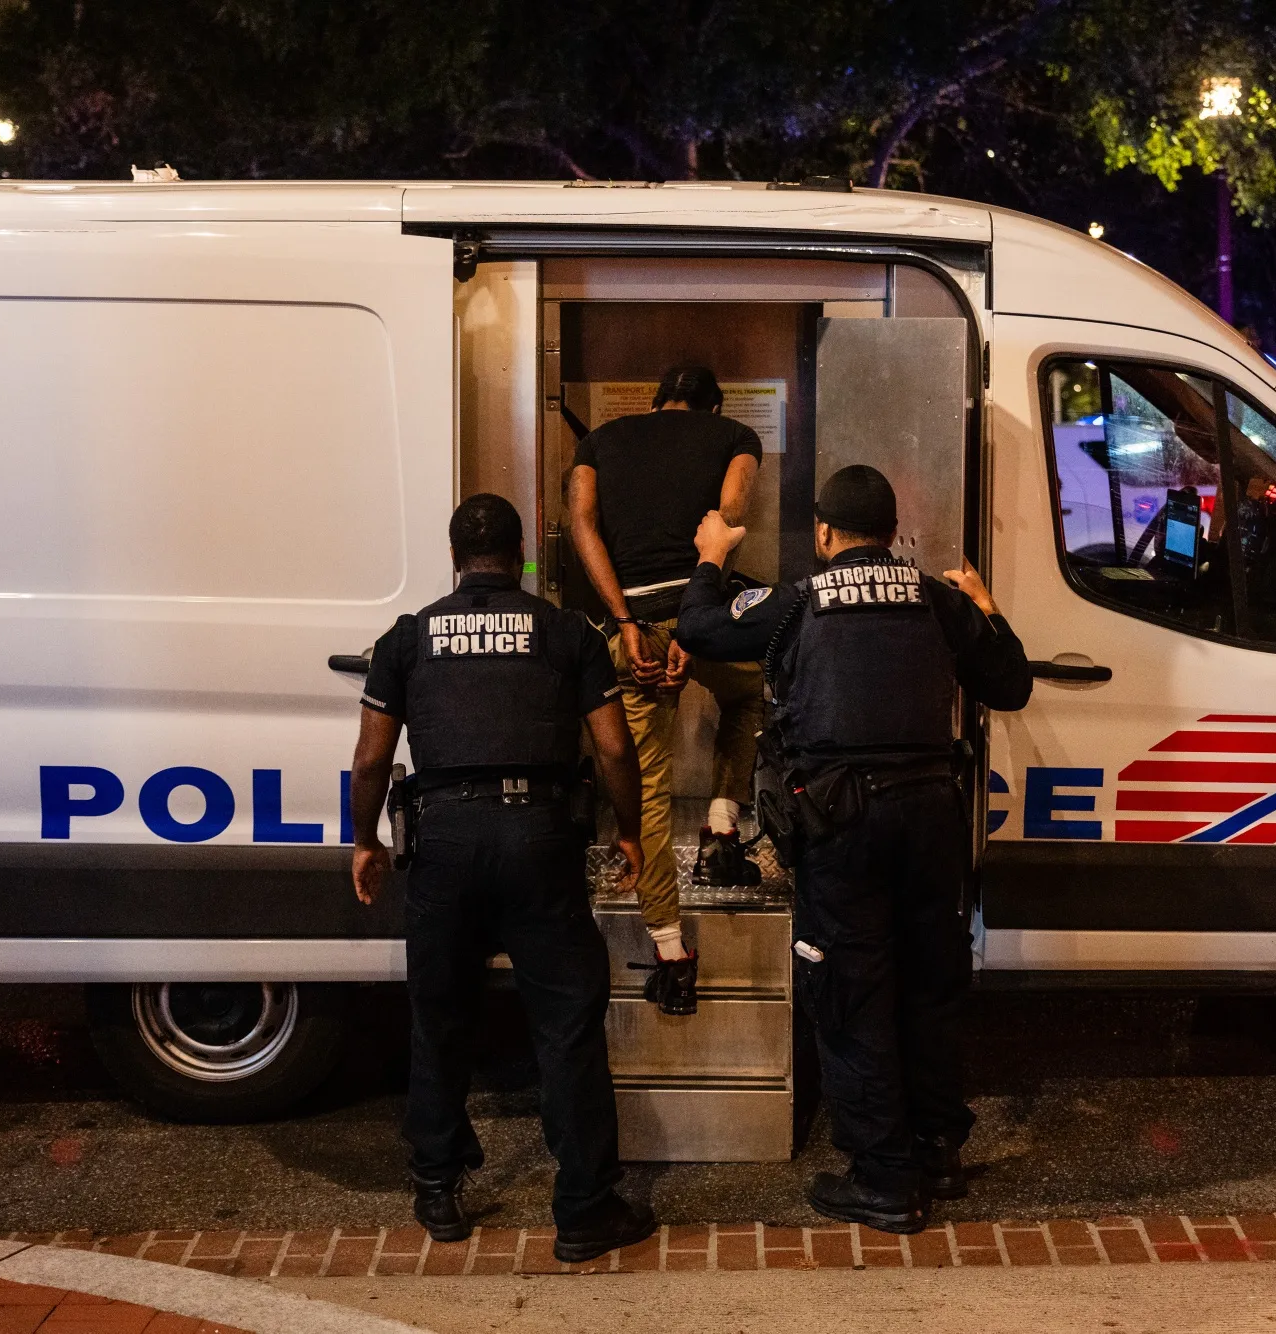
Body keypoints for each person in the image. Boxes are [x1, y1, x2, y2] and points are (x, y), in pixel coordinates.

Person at [675, 465, 1033, 1234]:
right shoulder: (935, 600)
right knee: (931, 982)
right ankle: (937, 1149)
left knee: (852, 992)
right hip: (932, 815)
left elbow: (698, 628)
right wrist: (985, 607)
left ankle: (885, 1181)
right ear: (892, 533)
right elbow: (1010, 684)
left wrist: (711, 557)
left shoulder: (797, 603)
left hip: (842, 823)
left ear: (825, 535)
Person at [350, 493, 657, 1265]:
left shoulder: (408, 638)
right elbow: (616, 750)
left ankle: (437, 1188)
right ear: (521, 556)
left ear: (455, 557)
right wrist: (628, 829)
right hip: (539, 839)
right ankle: (585, 1207)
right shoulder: (564, 632)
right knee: (566, 1024)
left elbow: (372, 758)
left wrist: (364, 840)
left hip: (445, 839)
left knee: (440, 1016)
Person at [568, 365, 769, 1015]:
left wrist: (626, 620)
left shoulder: (601, 440)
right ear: (712, 405)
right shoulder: (734, 434)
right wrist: (696, 618)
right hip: (701, 616)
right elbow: (731, 518)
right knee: (751, 694)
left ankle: (670, 952)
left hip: (631, 627)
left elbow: (581, 524)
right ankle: (720, 827)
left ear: (656, 402)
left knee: (644, 783)